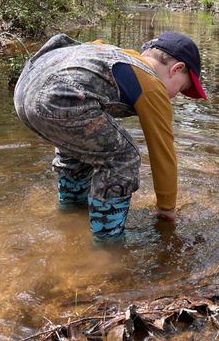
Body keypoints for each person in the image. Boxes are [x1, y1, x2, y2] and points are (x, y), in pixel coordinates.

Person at [13, 31, 207, 242]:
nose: (175, 95)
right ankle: (107, 247)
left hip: (26, 89)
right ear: (176, 69)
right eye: (182, 87)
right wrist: (166, 209)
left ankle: (69, 215)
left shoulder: (114, 53)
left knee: (84, 147)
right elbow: (163, 151)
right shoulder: (151, 83)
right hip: (56, 98)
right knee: (123, 158)